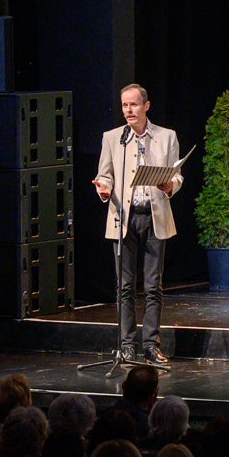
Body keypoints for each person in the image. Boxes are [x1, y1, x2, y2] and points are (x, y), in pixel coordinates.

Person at [92, 83, 182, 366]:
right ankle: (127, 345)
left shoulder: (167, 136)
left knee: (153, 286)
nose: (128, 110)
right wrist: (104, 189)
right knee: (125, 286)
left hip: (154, 216)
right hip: (124, 218)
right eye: (124, 105)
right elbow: (104, 175)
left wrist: (170, 185)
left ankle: (151, 345)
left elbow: (177, 175)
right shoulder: (113, 138)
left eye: (133, 104)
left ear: (146, 106)